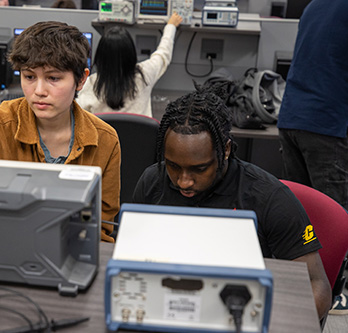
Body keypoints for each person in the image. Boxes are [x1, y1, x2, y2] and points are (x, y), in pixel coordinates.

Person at [132, 84, 332, 321]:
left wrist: (268, 322)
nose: (183, 182)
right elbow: (130, 254)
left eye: (199, 168)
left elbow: (317, 286)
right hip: (172, 302)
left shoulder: (269, 197)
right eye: (174, 166)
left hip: (239, 310)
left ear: (225, 149)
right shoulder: (153, 181)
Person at [0, 21, 121, 243]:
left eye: (53, 78)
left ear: (81, 80)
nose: (39, 91)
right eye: (29, 77)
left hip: (70, 253)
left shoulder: (105, 141)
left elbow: (101, 230)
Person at [277, 0, 348, 315]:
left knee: (302, 216)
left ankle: (298, 290)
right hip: (326, 124)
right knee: (336, 216)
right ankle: (337, 293)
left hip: (292, 118)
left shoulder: (315, 5)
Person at [75, 13, 183, 117]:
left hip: (104, 136)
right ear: (131, 54)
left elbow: (77, 117)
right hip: (140, 136)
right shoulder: (145, 75)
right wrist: (171, 26)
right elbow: (163, 54)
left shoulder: (89, 85)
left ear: (100, 57)